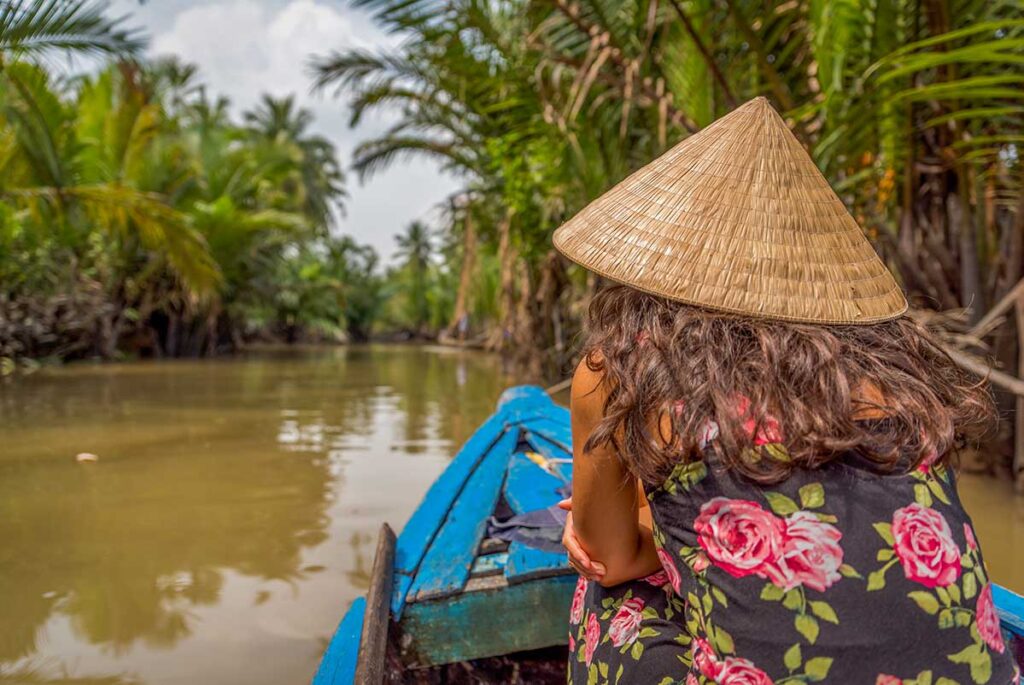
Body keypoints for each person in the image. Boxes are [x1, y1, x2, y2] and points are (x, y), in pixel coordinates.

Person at [552, 97, 1019, 684]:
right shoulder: (897, 376)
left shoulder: (618, 368)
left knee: (604, 599)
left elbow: (609, 558)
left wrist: (614, 526)